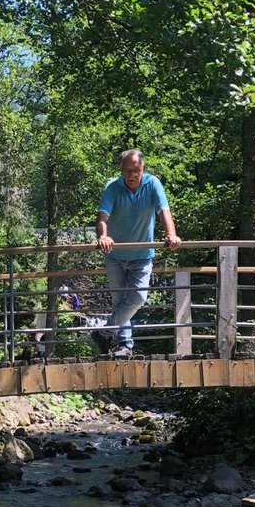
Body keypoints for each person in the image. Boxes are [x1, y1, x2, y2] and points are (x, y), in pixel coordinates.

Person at [92, 149, 180, 359]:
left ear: (143, 169)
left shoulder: (152, 184)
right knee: (120, 302)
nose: (132, 175)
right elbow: (102, 216)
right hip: (115, 255)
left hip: (142, 255)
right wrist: (103, 236)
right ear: (121, 171)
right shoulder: (113, 187)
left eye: (136, 170)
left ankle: (104, 334)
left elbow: (163, 211)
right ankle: (125, 346)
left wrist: (171, 234)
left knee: (138, 298)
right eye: (127, 171)